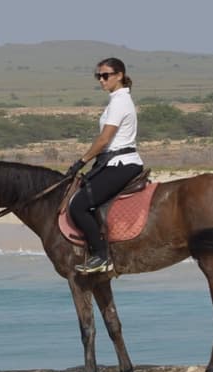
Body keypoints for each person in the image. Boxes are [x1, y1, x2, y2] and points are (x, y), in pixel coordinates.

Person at [65, 57, 144, 274]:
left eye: (105, 75)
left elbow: (103, 140)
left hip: (121, 163)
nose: (101, 80)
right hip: (112, 162)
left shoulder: (119, 102)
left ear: (119, 76)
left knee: (78, 205)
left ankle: (101, 256)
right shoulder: (116, 100)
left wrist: (81, 161)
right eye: (98, 76)